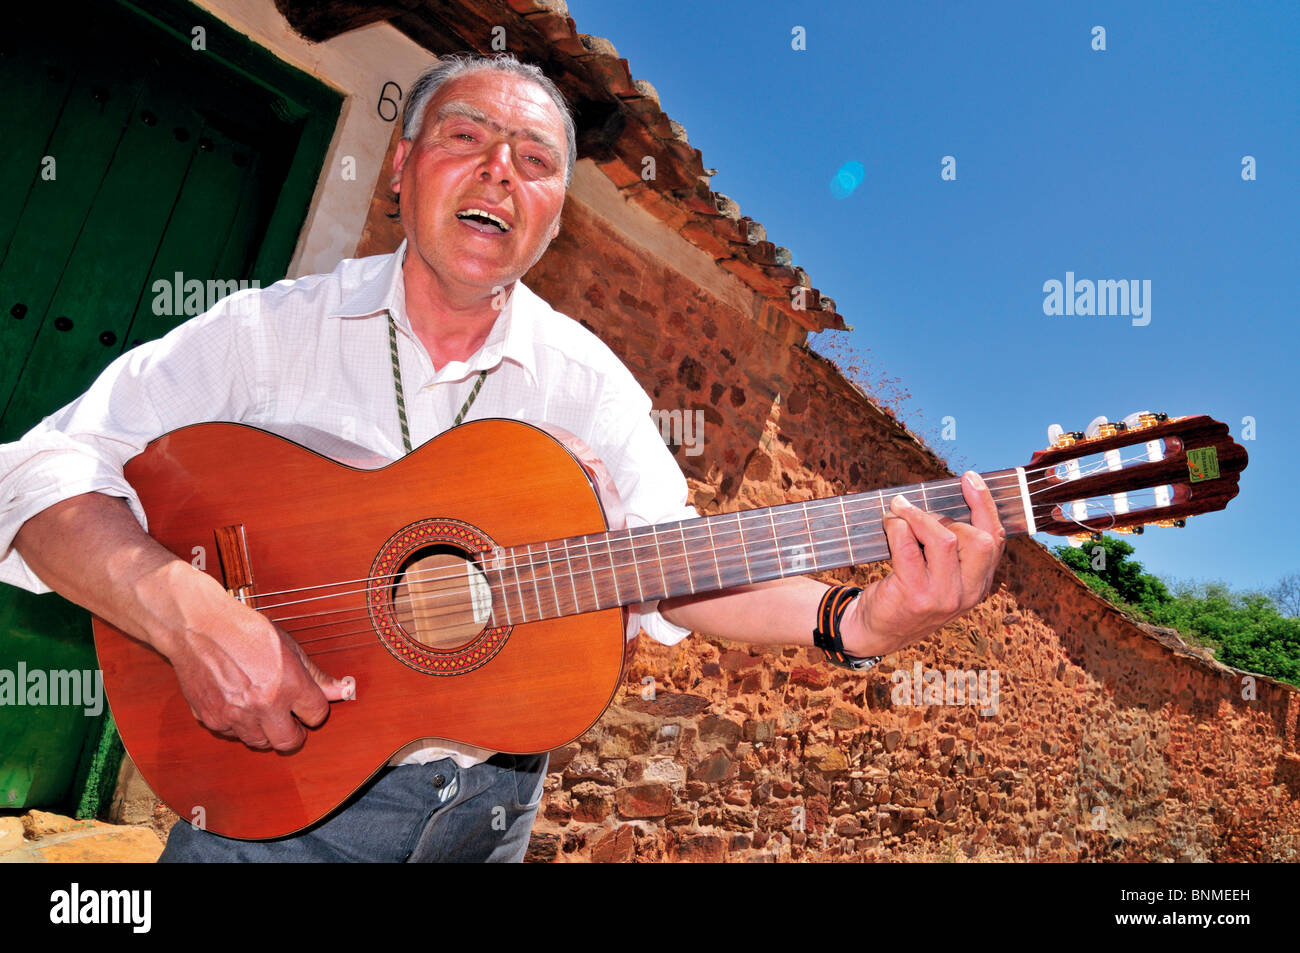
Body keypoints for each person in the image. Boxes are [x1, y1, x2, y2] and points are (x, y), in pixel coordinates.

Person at [0, 53, 1005, 862]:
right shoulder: (269, 332)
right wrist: (185, 608)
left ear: (556, 209)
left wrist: (858, 616)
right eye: (465, 138)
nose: (498, 172)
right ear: (400, 167)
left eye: (533, 159)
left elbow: (671, 564)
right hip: (276, 805)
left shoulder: (588, 383)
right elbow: (36, 479)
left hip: (488, 821)